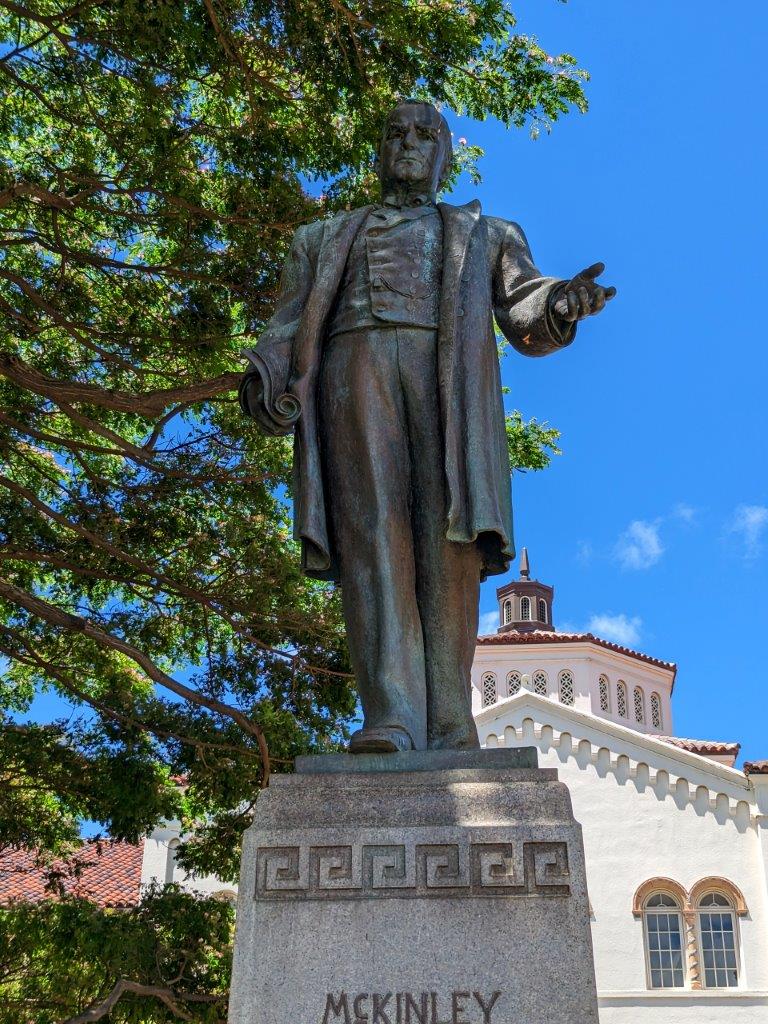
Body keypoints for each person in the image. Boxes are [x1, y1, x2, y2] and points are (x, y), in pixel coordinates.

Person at [240, 100, 614, 753]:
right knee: (372, 539)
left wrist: (559, 303)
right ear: (379, 150)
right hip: (353, 376)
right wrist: (265, 379)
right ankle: (393, 715)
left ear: (445, 155)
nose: (408, 144)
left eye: (424, 134)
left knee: (449, 542)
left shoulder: (488, 233)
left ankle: (447, 720)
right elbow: (285, 332)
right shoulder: (322, 239)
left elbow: (525, 301)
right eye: (396, 134)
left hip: (450, 383)